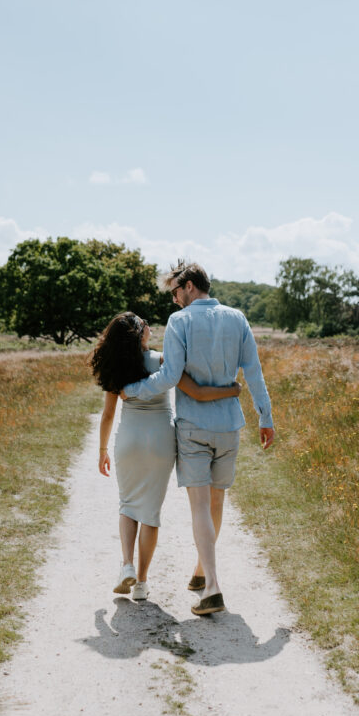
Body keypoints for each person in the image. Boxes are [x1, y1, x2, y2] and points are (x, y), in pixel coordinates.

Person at [121, 262, 274, 616]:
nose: (174, 301)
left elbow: (170, 376)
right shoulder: (238, 318)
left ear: (189, 286)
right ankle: (202, 570)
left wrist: (133, 390)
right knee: (216, 505)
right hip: (229, 426)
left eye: (175, 293)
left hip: (193, 427)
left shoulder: (181, 321)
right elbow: (254, 371)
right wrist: (266, 418)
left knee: (200, 507)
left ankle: (213, 587)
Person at [90, 311, 241, 602]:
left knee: (128, 504)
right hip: (161, 441)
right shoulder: (162, 361)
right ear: (140, 333)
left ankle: (126, 565)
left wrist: (102, 451)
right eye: (145, 324)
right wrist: (230, 390)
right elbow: (195, 391)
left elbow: (108, 415)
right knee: (150, 513)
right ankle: (142, 584)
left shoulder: (117, 367)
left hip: (129, 439)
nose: (149, 326)